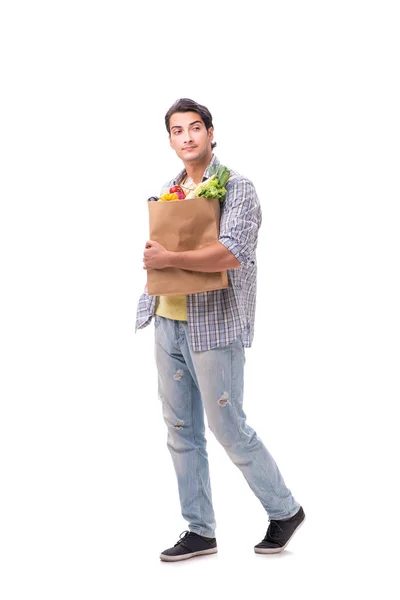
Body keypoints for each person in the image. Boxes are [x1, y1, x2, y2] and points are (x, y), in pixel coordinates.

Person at [135, 98, 305, 562]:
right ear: (170, 140)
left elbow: (233, 252)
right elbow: (163, 256)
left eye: (194, 128)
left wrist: (169, 258)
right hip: (167, 320)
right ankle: (199, 529)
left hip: (215, 325)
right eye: (177, 130)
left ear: (211, 132)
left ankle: (284, 509)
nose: (187, 137)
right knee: (180, 428)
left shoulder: (237, 188)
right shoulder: (168, 193)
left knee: (228, 426)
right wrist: (156, 260)